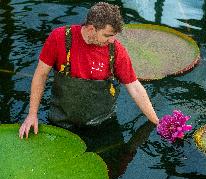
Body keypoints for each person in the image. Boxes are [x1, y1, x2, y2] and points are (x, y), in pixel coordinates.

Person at [19, 2, 159, 139]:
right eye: (107, 35)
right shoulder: (59, 38)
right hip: (61, 121)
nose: (112, 40)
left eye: (114, 36)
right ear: (91, 29)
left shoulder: (116, 51)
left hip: (101, 123)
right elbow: (41, 75)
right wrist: (32, 115)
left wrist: (156, 122)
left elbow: (135, 87)